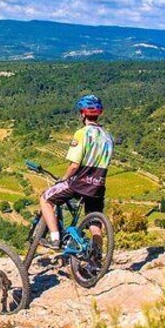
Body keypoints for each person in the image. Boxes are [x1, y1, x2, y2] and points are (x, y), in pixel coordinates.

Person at [39, 94, 113, 251]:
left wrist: (63, 179)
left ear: (83, 113)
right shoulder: (108, 136)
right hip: (98, 186)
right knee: (94, 223)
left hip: (79, 183)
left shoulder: (82, 133)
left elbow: (74, 165)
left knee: (45, 199)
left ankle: (55, 239)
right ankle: (96, 257)